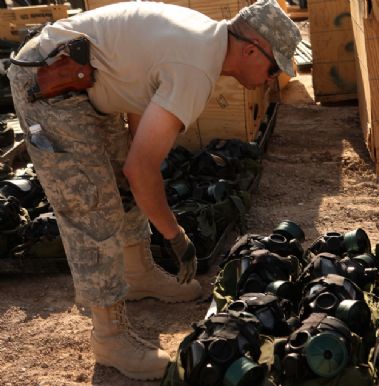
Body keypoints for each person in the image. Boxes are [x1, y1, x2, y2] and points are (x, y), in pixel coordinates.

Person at [7, 0, 301, 380]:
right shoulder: (196, 67)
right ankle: (109, 337)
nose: (270, 78)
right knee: (91, 204)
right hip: (50, 80)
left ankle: (138, 273)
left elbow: (138, 105)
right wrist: (175, 237)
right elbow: (142, 168)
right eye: (273, 66)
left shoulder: (204, 40)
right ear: (249, 49)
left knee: (117, 179)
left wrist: (133, 170)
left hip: (84, 78)